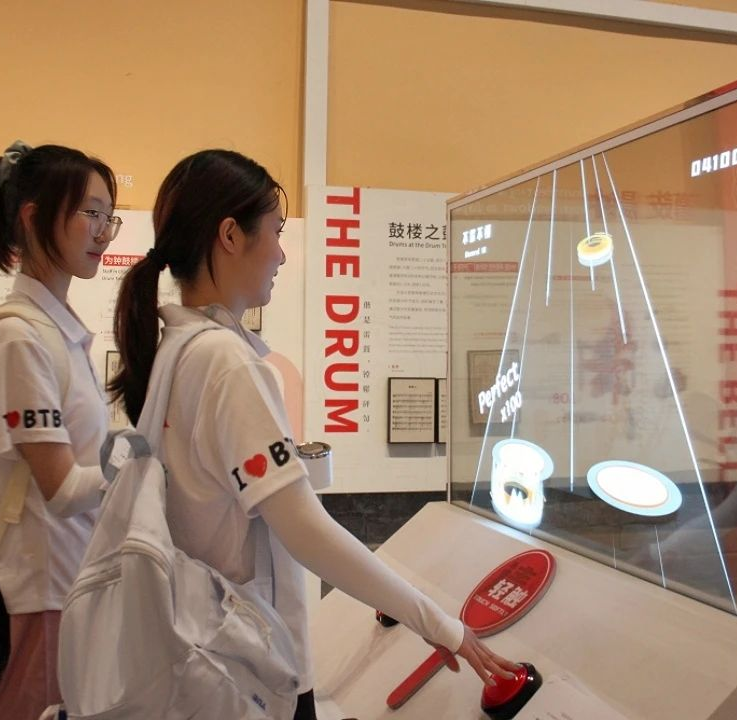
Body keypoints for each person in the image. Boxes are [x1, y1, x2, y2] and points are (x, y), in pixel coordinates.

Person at [110, 149, 518, 720]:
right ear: (230, 235)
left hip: (203, 658)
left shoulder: (177, 350)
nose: (281, 254)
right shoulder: (226, 363)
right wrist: (438, 623)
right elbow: (306, 531)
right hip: (249, 669)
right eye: (275, 232)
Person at [0, 141, 122, 719]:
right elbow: (60, 490)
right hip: (43, 587)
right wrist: (145, 463)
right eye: (90, 212)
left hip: (71, 580)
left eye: (109, 216)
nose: (103, 231)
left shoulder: (55, 332)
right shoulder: (20, 338)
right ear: (34, 217)